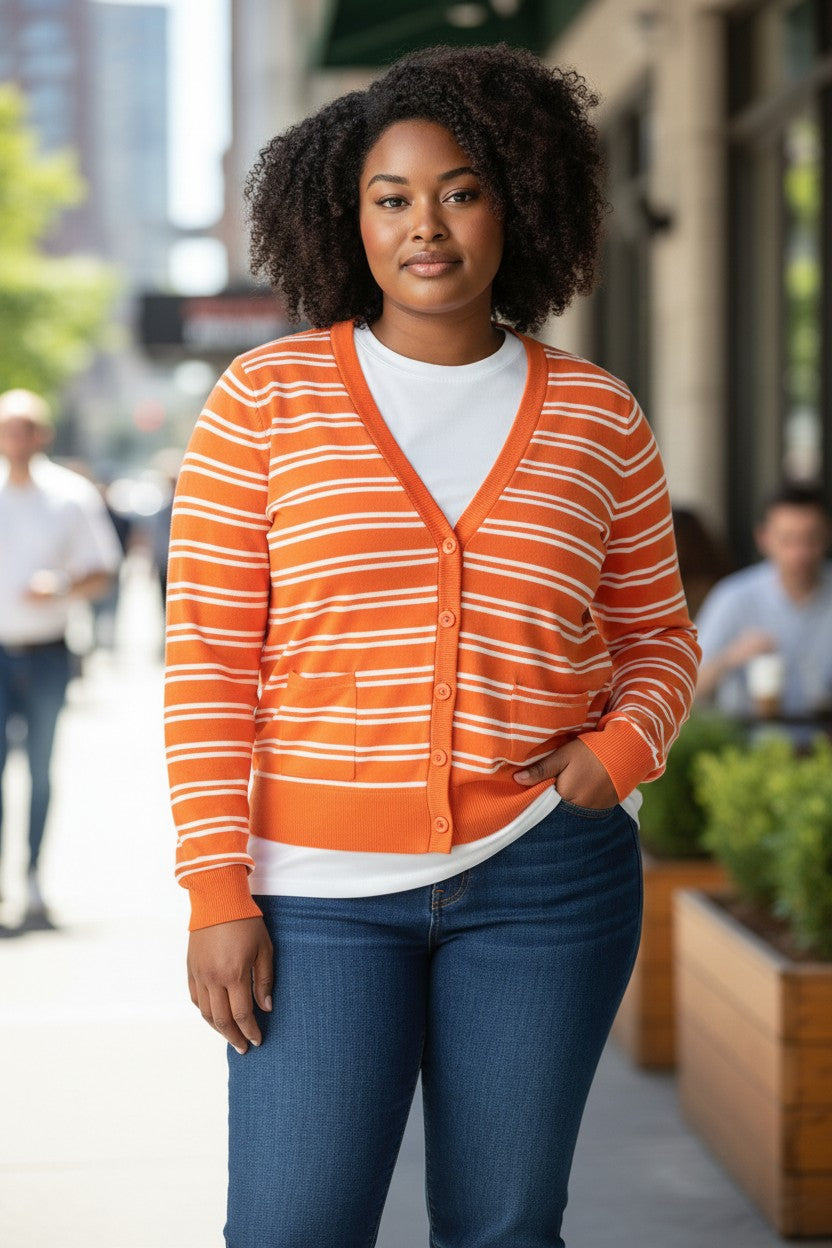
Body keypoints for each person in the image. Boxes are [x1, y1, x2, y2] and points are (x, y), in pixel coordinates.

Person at [164, 44, 700, 1248]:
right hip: (314, 900)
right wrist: (214, 889)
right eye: (390, 198)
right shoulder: (268, 402)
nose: (427, 228)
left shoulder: (596, 415)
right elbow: (206, 659)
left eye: (460, 191)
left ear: (515, 198)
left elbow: (657, 634)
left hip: (546, 881)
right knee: (293, 1227)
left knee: (505, 1230)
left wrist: (615, 755)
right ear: (345, 218)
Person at [0, 389, 122, 926]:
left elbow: (103, 570)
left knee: (42, 773)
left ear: (41, 435)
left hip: (48, 652)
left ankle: (31, 879)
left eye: (23, 427)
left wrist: (63, 586)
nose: (14, 438)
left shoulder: (69, 495)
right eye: (6, 427)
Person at [695, 485, 832, 717]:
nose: (801, 553)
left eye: (811, 539)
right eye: (788, 540)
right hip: (749, 743)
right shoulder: (733, 597)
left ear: (827, 535)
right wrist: (730, 657)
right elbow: (686, 687)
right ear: (763, 538)